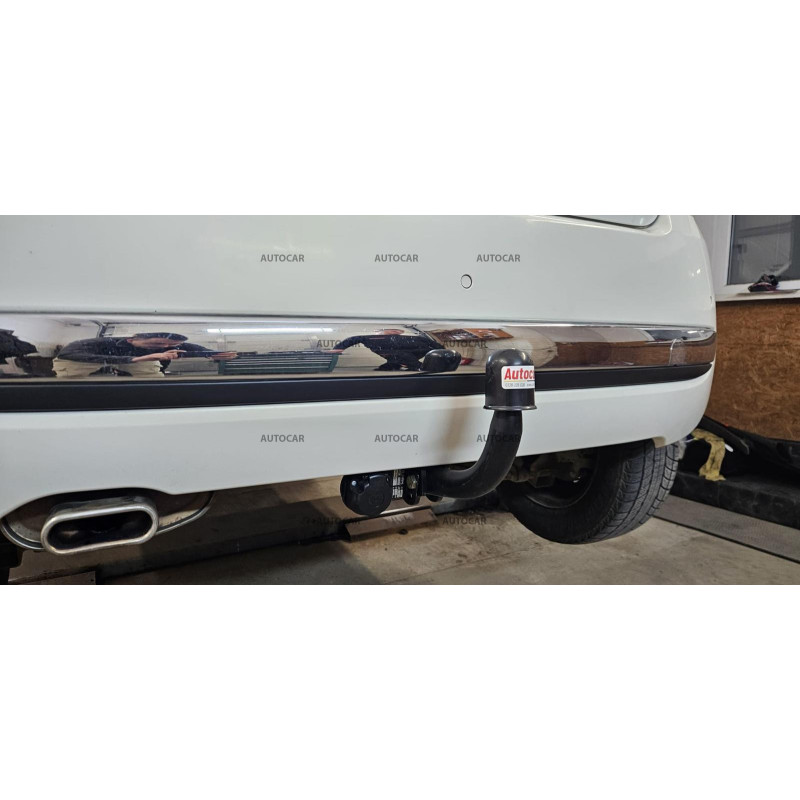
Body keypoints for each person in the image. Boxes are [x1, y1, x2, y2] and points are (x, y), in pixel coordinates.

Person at [54, 332, 237, 378]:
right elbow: (68, 354)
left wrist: (212, 354)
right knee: (69, 377)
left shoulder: (169, 347)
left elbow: (189, 347)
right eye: (156, 344)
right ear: (131, 340)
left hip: (137, 369)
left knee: (152, 375)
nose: (163, 347)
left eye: (169, 345)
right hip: (79, 362)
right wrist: (136, 358)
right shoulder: (101, 343)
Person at [328, 328, 437, 371]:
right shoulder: (375, 339)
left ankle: (394, 365)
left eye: (398, 331)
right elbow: (356, 338)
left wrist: (418, 367)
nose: (397, 332)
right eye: (393, 330)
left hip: (419, 351)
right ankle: (393, 365)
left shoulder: (409, 339)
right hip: (407, 354)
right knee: (396, 359)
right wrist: (338, 348)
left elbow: (402, 355)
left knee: (399, 358)